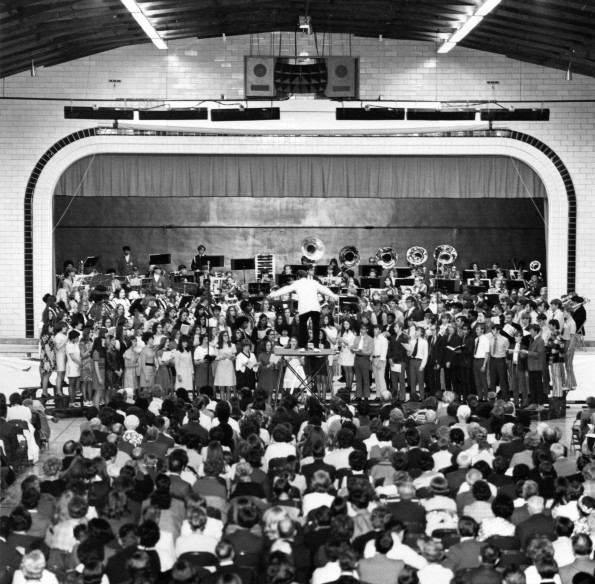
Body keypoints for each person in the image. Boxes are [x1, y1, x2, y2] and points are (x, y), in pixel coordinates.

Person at [268, 270, 339, 351]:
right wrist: (334, 295)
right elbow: (324, 289)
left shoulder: (297, 283)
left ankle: (302, 347)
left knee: (303, 327)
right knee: (316, 327)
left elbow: (285, 289)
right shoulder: (314, 282)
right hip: (315, 307)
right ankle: (316, 347)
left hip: (304, 308)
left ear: (298, 276)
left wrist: (272, 294)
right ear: (307, 276)